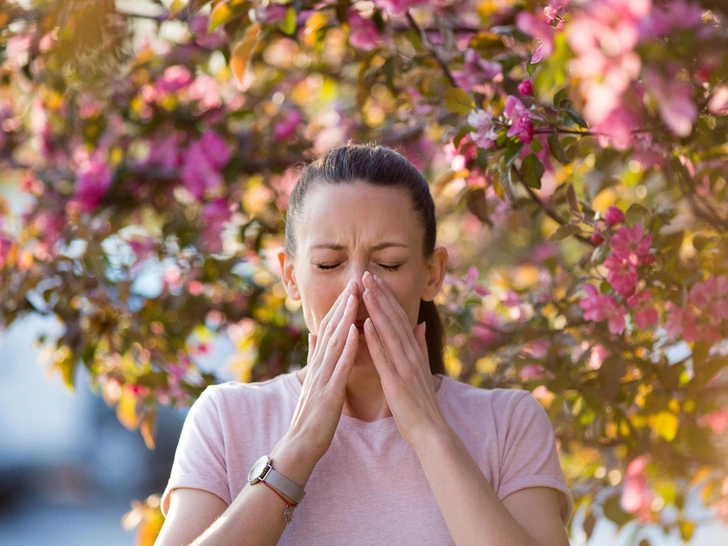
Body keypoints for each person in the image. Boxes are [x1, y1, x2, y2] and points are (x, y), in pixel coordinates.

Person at [154, 143, 574, 546]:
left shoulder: (508, 424)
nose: (356, 286)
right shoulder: (225, 420)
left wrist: (429, 433)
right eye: (328, 264)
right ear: (290, 276)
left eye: (388, 263)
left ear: (432, 273)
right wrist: (297, 449)